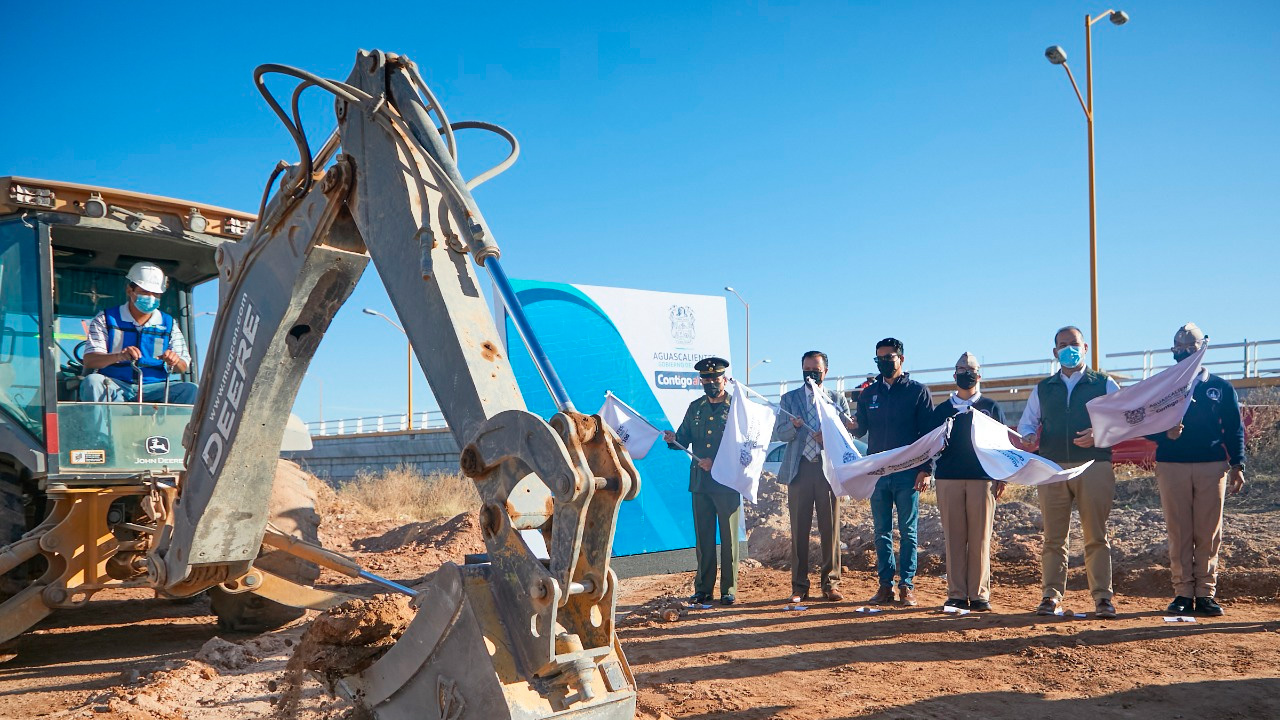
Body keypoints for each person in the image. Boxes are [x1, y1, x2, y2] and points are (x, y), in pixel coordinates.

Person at [1017, 325, 1120, 619]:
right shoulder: (1043, 388)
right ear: (1054, 352)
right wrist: (1027, 436)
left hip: (1093, 466)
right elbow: (1027, 423)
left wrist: (1099, 434)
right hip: (1051, 469)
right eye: (1062, 344)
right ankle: (1050, 597)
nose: (1068, 348)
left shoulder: (1104, 383)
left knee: (1096, 536)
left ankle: (1103, 599)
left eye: (1073, 343)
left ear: (1085, 348)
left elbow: (1124, 419)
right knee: (1053, 537)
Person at [1148, 323, 1246, 617]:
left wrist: (1238, 463)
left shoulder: (1221, 388)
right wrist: (1165, 434)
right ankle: (1182, 593)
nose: (1185, 353)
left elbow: (1234, 428)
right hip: (1171, 465)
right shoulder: (1161, 387)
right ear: (1173, 352)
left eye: (1191, 348)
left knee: (1208, 532)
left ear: (1202, 349)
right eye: (1180, 349)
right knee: (1179, 531)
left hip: (1212, 466)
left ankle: (1205, 593)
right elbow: (1142, 422)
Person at [852, 338, 934, 606]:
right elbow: (859, 429)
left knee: (908, 531)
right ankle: (885, 586)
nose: (885, 362)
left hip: (907, 474)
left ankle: (906, 586)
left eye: (890, 357)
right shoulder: (868, 394)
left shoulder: (918, 392)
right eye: (880, 359)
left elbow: (929, 436)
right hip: (878, 474)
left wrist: (926, 469)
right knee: (881, 531)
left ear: (902, 358)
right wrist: (839, 421)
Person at [773, 350, 855, 604]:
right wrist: (793, 427)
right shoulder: (790, 399)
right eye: (807, 370)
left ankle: (831, 584)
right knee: (799, 530)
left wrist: (828, 438)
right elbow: (779, 433)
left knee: (830, 529)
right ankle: (799, 586)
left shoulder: (835, 399)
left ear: (825, 372)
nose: (811, 375)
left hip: (826, 470)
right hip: (799, 471)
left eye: (816, 371)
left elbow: (846, 435)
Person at [930, 352, 1006, 611]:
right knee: (954, 538)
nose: (965, 372)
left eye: (970, 368)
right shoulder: (942, 410)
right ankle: (957, 594)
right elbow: (931, 446)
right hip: (948, 480)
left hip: (983, 480)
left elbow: (1002, 445)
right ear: (954, 375)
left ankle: (980, 594)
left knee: (980, 538)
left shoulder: (992, 407)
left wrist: (1002, 476)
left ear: (979, 375)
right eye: (961, 368)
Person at [663, 357, 741, 606]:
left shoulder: (737, 407)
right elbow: (683, 439)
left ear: (724, 379)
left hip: (726, 482)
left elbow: (744, 447)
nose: (711, 382)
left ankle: (728, 589)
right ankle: (703, 589)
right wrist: (672, 439)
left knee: (728, 540)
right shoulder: (695, 407)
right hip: (700, 483)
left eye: (715, 378)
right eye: (706, 379)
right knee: (704, 539)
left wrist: (715, 462)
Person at [80, 262, 196, 404]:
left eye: (156, 294)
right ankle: (101, 427)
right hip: (115, 384)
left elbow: (183, 367)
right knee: (93, 381)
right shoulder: (105, 319)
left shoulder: (169, 324)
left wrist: (175, 361)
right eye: (145, 292)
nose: (151, 297)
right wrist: (119, 356)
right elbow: (90, 360)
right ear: (130, 291)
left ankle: (185, 427)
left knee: (191, 390)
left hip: (155, 388)